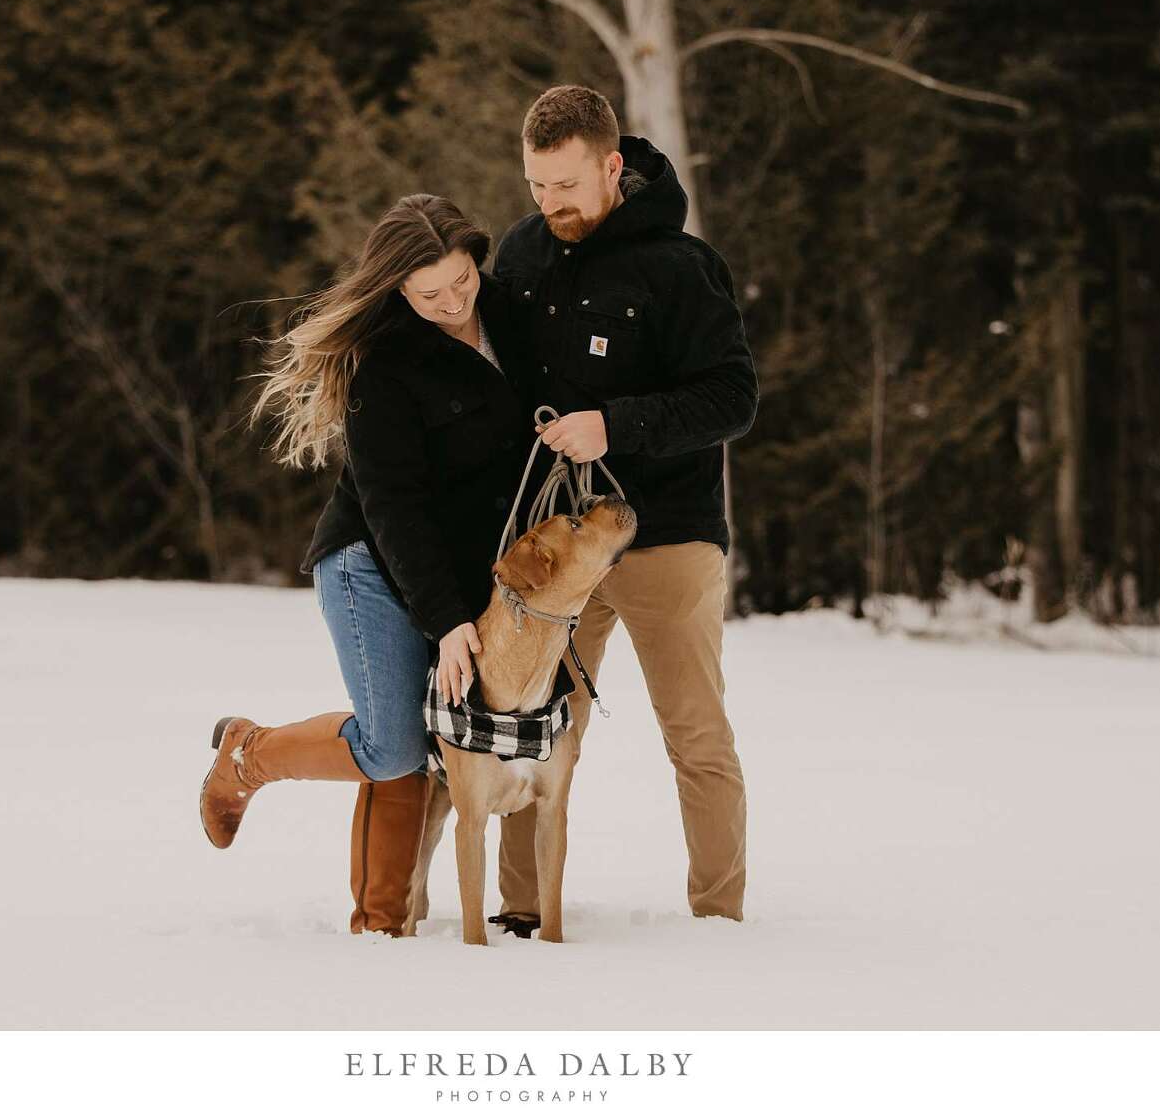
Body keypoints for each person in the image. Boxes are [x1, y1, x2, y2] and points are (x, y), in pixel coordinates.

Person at [198, 194, 535, 935]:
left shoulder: (511, 315)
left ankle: (381, 925)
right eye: (428, 294)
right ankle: (247, 753)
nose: (451, 303)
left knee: (424, 740)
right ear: (396, 291)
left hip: (464, 566)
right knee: (390, 746)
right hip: (372, 566)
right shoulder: (385, 368)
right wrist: (447, 620)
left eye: (461, 281)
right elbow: (395, 509)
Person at [491, 85, 757, 926]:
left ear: (612, 166)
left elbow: (732, 397)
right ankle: (522, 908)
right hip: (556, 549)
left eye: (565, 186)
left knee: (695, 733)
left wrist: (618, 425)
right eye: (536, 186)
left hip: (666, 537)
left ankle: (719, 918)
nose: (549, 204)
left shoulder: (681, 266)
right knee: (533, 726)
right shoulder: (523, 255)